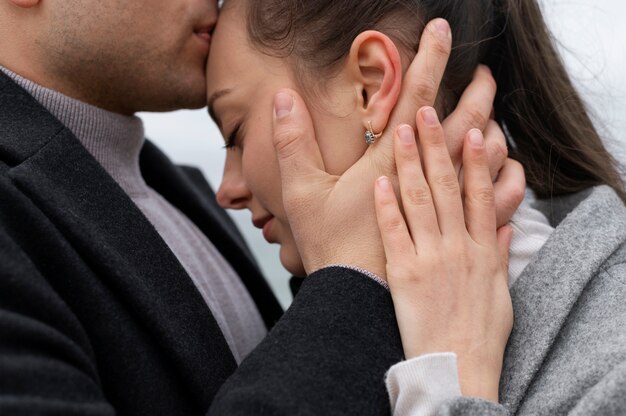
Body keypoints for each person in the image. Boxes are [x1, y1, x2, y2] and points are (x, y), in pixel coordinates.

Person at [0, 0, 521, 414]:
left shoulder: (178, 191)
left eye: (236, 132)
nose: (232, 189)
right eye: (233, 132)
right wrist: (354, 271)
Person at [205, 0, 626, 414]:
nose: (226, 190)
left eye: (235, 134)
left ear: (369, 85)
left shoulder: (611, 354)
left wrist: (450, 384)